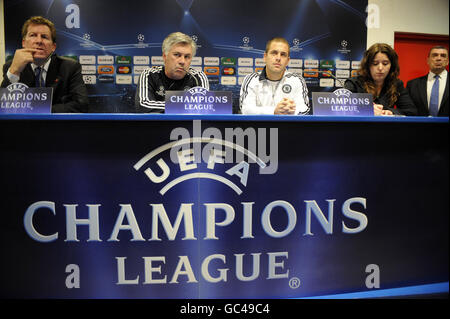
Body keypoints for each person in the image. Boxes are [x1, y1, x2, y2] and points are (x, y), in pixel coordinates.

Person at [1, 16, 88, 113]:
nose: (39, 41)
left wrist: (39, 110)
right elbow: (3, 107)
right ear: (24, 43)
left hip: (58, 126)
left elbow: (81, 105)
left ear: (53, 47)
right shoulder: (11, 66)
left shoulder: (70, 67)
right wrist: (14, 72)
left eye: (44, 37)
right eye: (33, 35)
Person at [135, 32, 209, 113]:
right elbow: (143, 106)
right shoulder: (149, 75)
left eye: (187, 57)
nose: (182, 61)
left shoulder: (197, 77)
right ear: (165, 56)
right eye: (177, 55)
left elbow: (204, 107)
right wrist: (187, 106)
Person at [240, 37, 310, 115]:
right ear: (265, 57)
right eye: (274, 53)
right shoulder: (251, 80)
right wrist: (274, 111)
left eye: (283, 55)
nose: (278, 58)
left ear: (287, 61)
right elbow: (246, 110)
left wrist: (289, 110)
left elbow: (304, 109)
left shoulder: (297, 80)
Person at [344, 43, 417, 116]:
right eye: (375, 63)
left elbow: (411, 111)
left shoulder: (397, 84)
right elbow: (342, 109)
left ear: (392, 66)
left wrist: (390, 112)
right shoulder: (354, 83)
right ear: (367, 65)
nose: (380, 68)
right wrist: (367, 109)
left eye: (385, 63)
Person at [406, 46, 449, 117]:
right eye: (434, 55)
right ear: (428, 60)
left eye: (443, 56)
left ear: (447, 61)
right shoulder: (413, 85)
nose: (439, 58)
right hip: (420, 127)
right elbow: (408, 110)